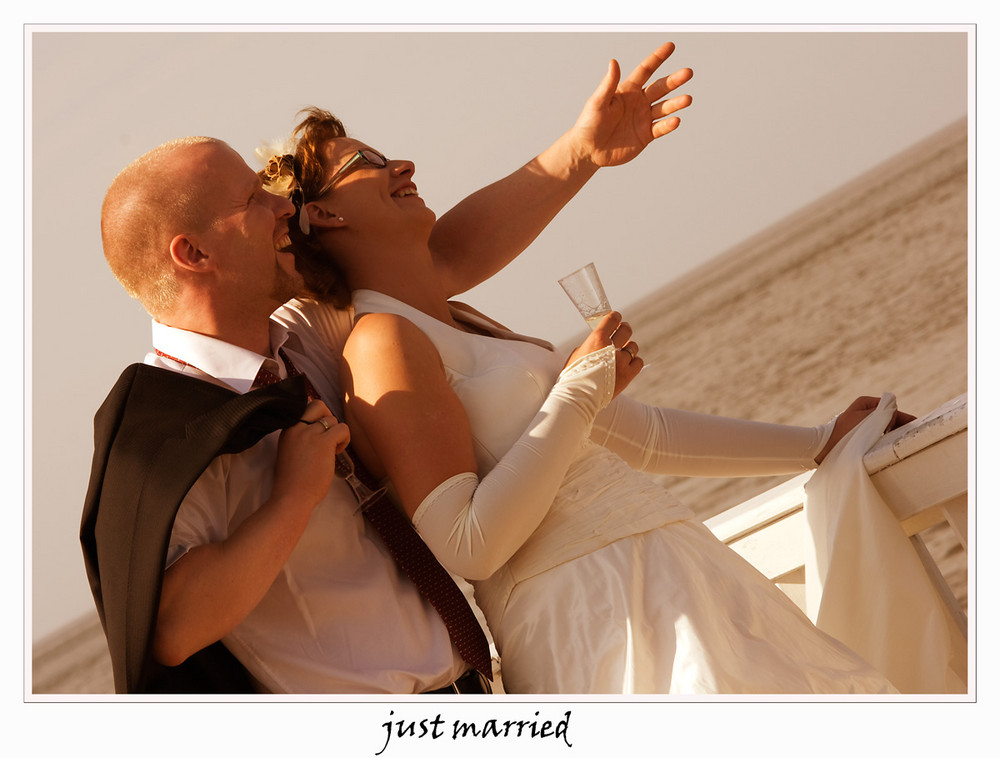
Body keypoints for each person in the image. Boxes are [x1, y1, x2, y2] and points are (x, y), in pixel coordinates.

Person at [268, 66, 915, 694]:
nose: (401, 165)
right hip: (597, 626)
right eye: (368, 162)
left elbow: (647, 438)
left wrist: (818, 441)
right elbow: (468, 546)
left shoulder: (457, 320)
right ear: (323, 215)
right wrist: (577, 391)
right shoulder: (380, 344)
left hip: (683, 583)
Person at [83, 43, 695, 694]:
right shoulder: (156, 436)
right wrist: (294, 496)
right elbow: (171, 626)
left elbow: (439, 262)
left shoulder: (304, 339)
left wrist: (579, 152)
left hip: (478, 696)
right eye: (252, 201)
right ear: (193, 252)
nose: (282, 206)